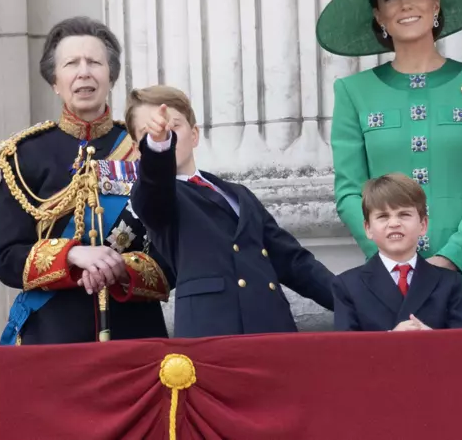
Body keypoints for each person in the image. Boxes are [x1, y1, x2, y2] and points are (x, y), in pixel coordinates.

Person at [319, 0, 462, 327]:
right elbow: (349, 192)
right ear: (379, 16)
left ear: (436, 3)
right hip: (387, 286)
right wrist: (393, 257)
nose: (406, 4)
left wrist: (452, 257)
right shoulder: (354, 92)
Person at [0, 16, 171, 345]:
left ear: (111, 76)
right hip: (53, 337)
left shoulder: (144, 150)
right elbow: (5, 258)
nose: (84, 72)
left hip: (136, 335)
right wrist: (71, 255)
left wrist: (121, 267)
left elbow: (172, 255)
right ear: (55, 81)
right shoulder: (23, 155)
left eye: (94, 62)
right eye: (71, 63)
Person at [126, 85, 335, 338]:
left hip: (273, 330)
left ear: (194, 135)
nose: (165, 133)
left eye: (174, 127)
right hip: (213, 335)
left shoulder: (238, 193)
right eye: (151, 131)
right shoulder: (153, 195)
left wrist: (356, 300)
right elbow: (154, 186)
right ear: (139, 148)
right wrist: (158, 147)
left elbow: (293, 261)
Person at [332, 173, 462, 331]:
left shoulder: (449, 283)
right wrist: (391, 341)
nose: (394, 223)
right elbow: (347, 351)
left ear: (423, 224)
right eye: (383, 216)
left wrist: (432, 340)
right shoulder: (348, 286)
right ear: (368, 228)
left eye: (404, 214)